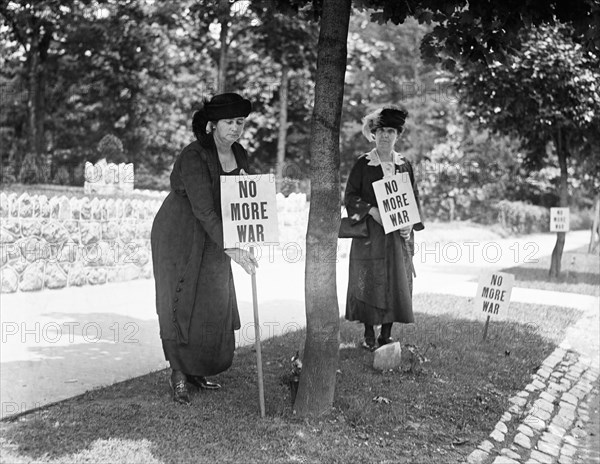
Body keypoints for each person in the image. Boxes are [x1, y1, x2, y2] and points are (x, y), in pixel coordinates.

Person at [151, 93, 258, 404]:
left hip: (215, 235)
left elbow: (243, 201)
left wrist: (246, 233)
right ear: (212, 125)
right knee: (181, 299)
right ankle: (179, 374)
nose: (236, 128)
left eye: (240, 122)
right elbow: (204, 210)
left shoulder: (240, 153)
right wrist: (232, 248)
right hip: (180, 233)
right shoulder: (194, 156)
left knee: (212, 299)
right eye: (229, 122)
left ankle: (197, 368)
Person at [343, 106, 424, 351]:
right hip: (371, 235)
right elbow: (350, 197)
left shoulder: (404, 164)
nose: (385, 136)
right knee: (370, 281)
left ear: (397, 135)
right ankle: (369, 333)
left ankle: (386, 335)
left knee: (395, 281)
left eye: (390, 131)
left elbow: (412, 196)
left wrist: (409, 224)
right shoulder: (363, 164)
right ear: (373, 133)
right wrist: (372, 210)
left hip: (398, 236)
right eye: (381, 131)